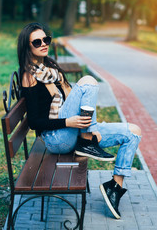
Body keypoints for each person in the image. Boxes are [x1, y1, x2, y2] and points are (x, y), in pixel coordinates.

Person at [18, 22, 142, 219]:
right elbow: (34, 122)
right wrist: (69, 123)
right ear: (27, 46)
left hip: (72, 131)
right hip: (57, 138)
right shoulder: (29, 77)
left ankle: (114, 188)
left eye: (46, 39)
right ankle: (87, 140)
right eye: (37, 41)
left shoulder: (50, 69)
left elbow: (73, 101)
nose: (43, 43)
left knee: (133, 131)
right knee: (88, 82)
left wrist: (88, 125)